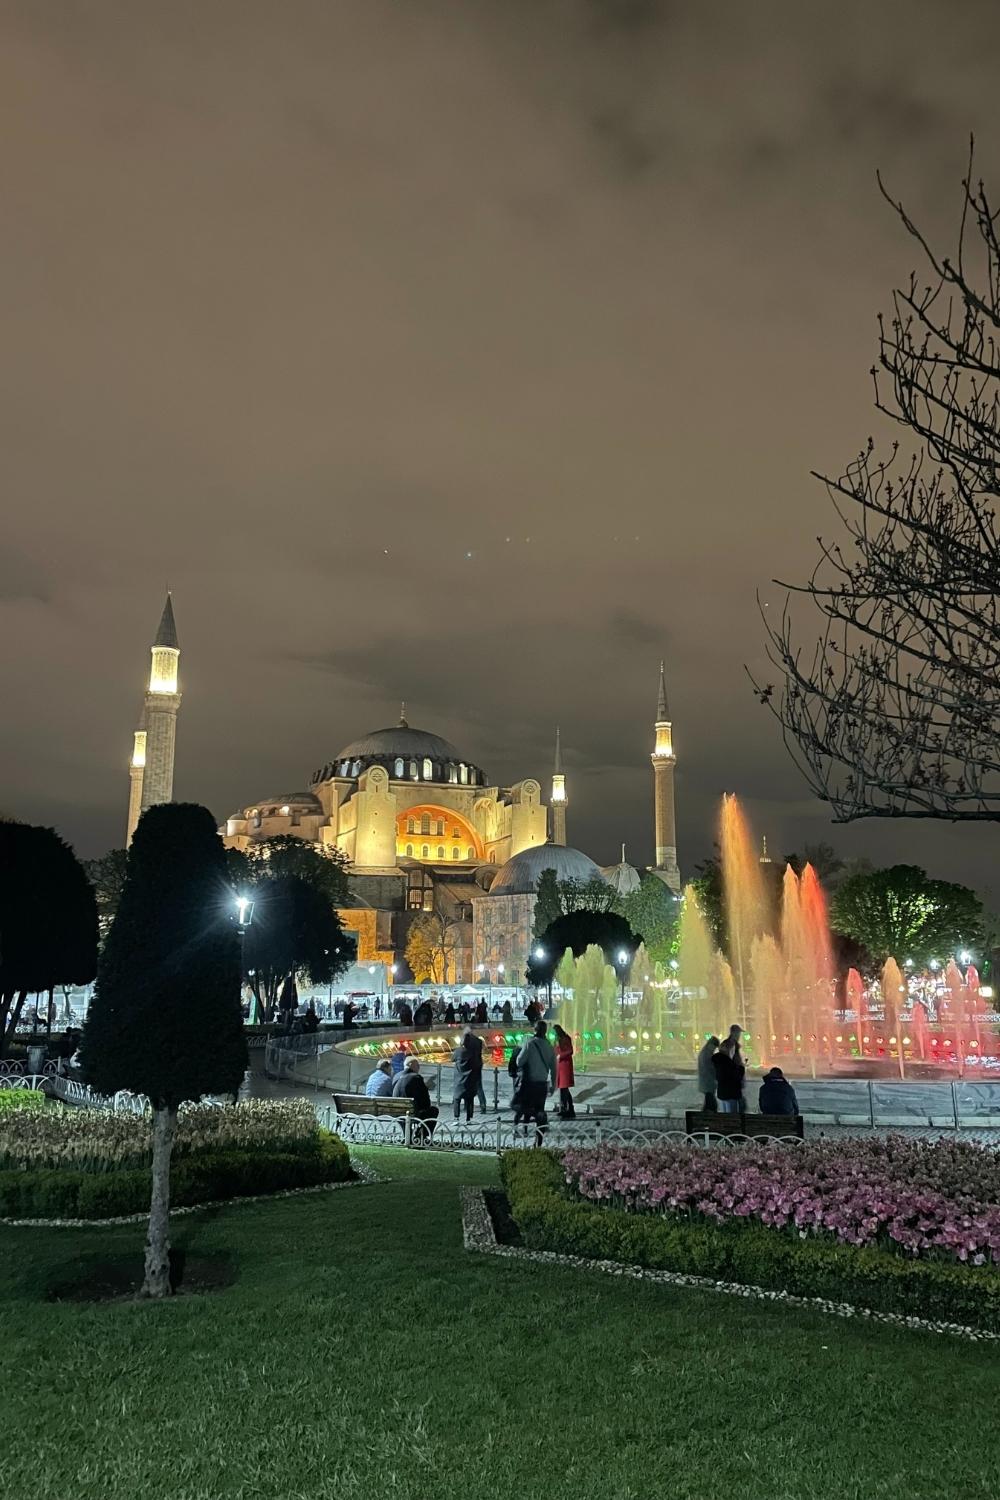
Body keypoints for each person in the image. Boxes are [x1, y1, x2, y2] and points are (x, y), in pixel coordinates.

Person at [514, 1020, 557, 1145]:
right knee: (540, 1111)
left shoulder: (530, 1044)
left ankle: (524, 1132)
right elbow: (554, 1068)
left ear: (535, 1030)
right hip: (542, 1084)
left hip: (529, 1084)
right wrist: (553, 1085)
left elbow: (519, 1062)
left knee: (524, 1107)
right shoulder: (549, 1046)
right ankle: (539, 1142)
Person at [392, 1056, 439, 1136]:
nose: (419, 1068)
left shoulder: (396, 1077)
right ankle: (421, 1136)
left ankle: (407, 1135)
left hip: (397, 1112)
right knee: (433, 1110)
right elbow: (425, 1100)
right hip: (411, 1113)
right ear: (410, 1065)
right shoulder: (416, 1078)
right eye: (417, 1065)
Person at [452, 1026, 484, 1122]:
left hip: (459, 1078)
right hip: (470, 1078)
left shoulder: (458, 1051)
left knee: (457, 1098)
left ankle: (456, 1118)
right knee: (470, 1098)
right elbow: (477, 1062)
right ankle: (468, 1119)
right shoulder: (473, 1051)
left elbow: (452, 1059)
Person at [712, 1037, 745, 1115]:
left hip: (722, 1092)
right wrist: (741, 1067)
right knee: (732, 1117)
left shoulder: (716, 1059)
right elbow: (736, 1076)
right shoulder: (726, 1062)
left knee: (725, 1116)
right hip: (731, 1093)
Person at [553, 1023, 575, 1119]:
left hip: (565, 1065)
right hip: (560, 1065)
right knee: (563, 1089)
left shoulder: (566, 1038)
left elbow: (570, 1050)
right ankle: (567, 1109)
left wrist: (560, 1056)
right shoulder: (558, 1039)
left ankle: (567, 1110)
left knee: (564, 1088)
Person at [696, 1035, 720, 1111]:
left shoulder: (705, 1053)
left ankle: (702, 1119)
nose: (714, 1049)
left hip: (707, 1084)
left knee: (708, 1104)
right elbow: (709, 1069)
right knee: (712, 1105)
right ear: (710, 1044)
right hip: (708, 1084)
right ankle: (704, 1119)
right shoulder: (706, 1054)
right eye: (714, 1047)